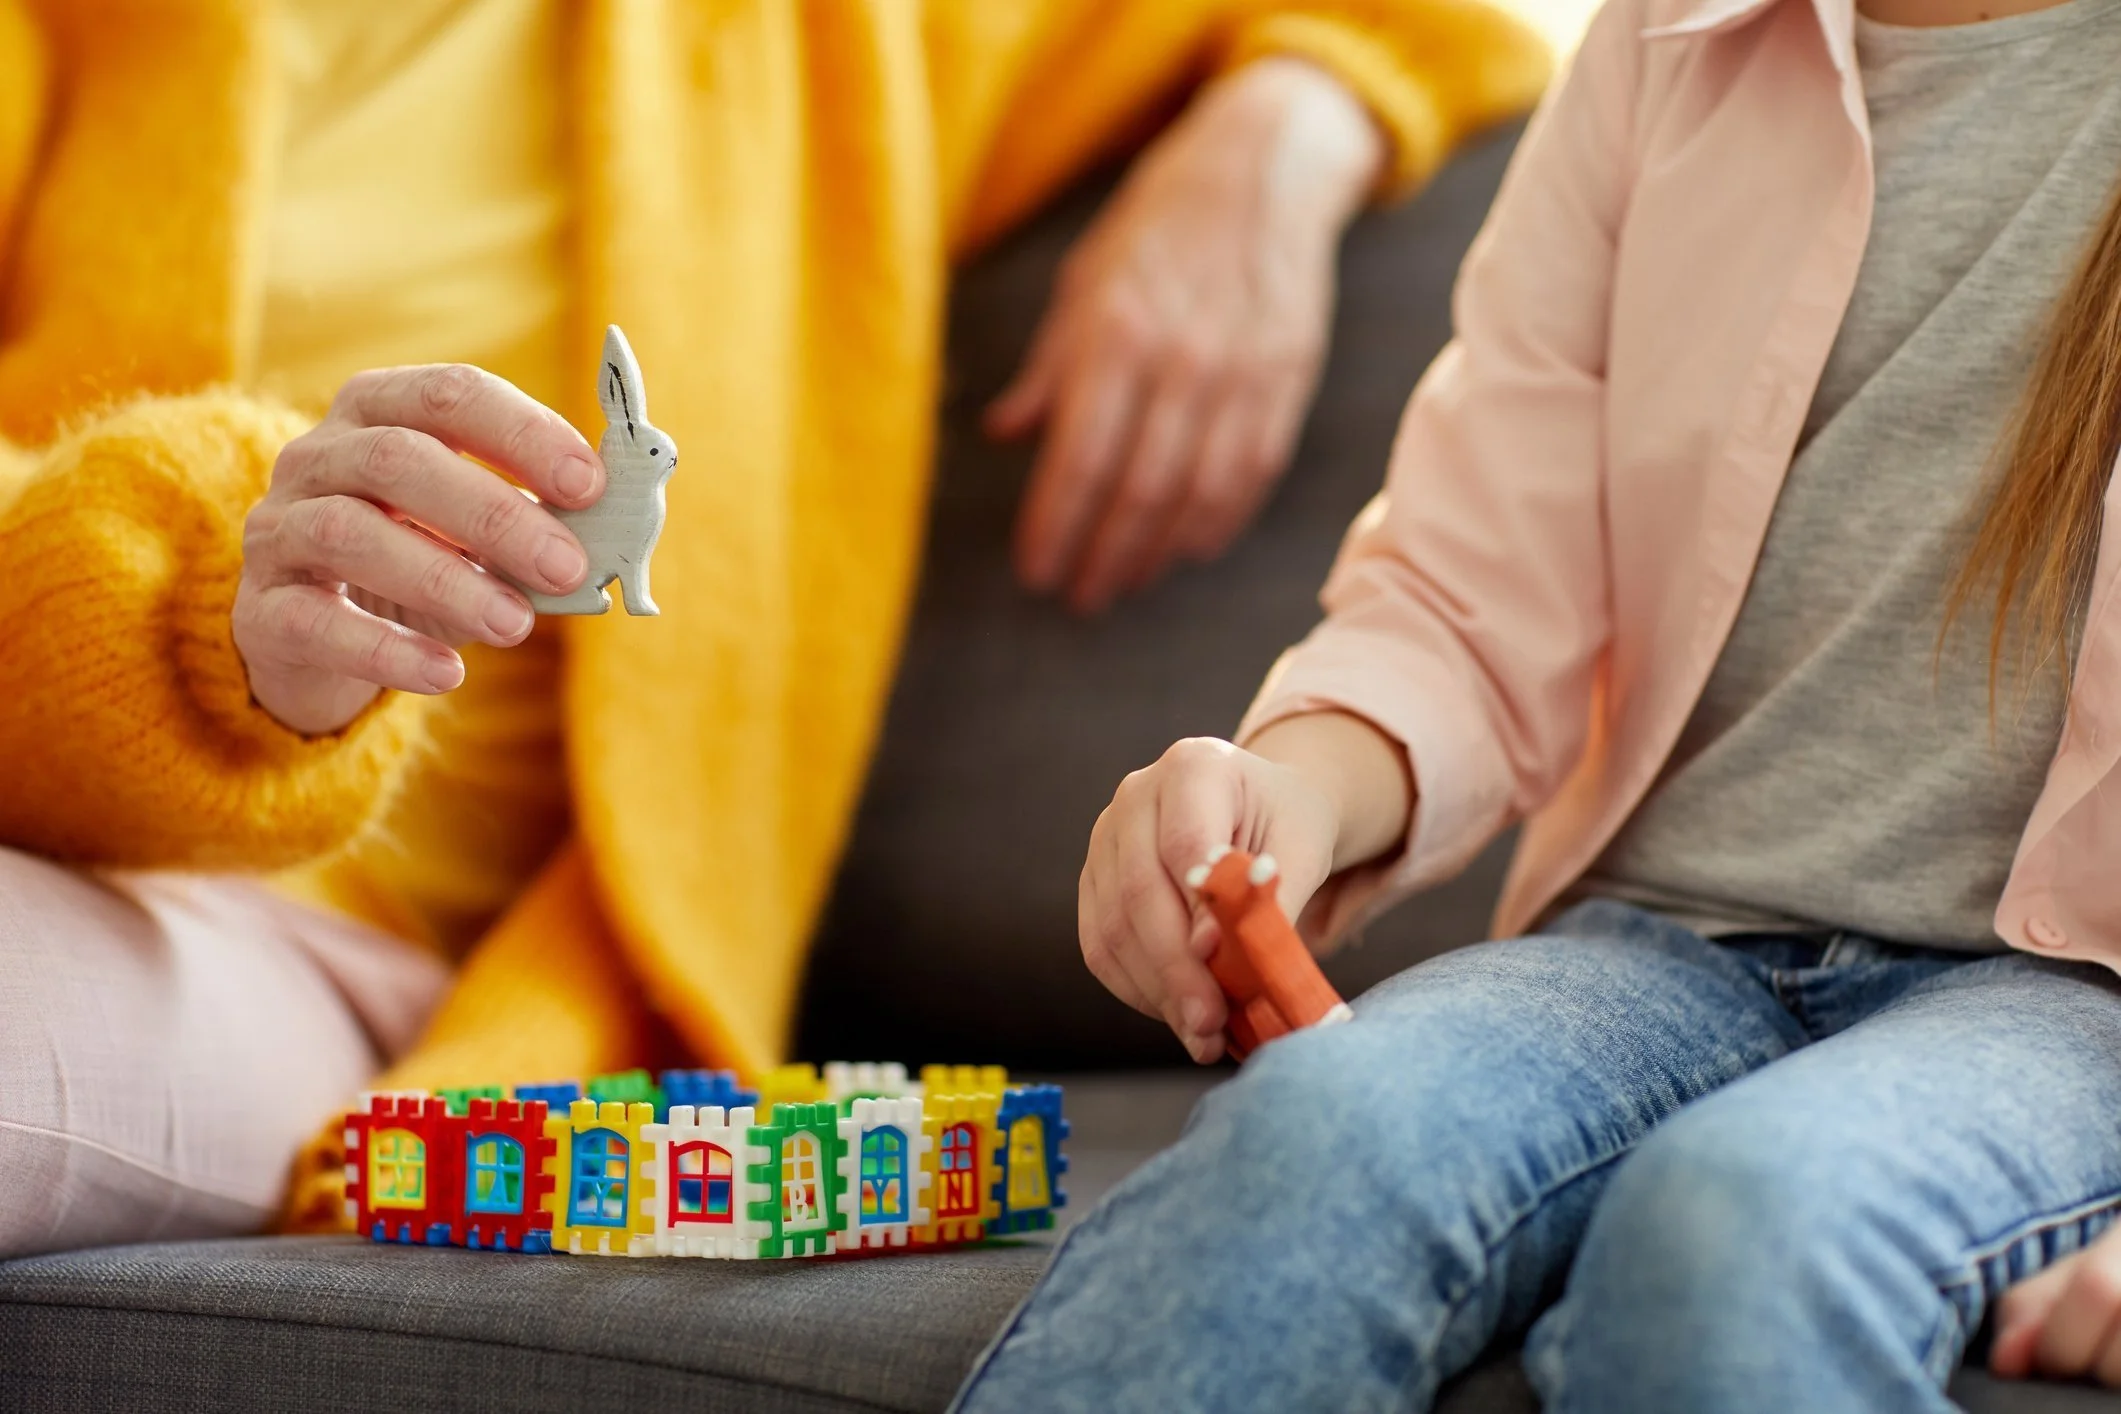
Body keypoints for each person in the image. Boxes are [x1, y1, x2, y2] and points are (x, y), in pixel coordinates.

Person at [0, 2, 1546, 1257]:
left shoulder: (837, 38)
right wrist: (190, 628)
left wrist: (1279, 133)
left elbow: (1448, 32)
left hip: (372, 960)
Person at [954, 0, 2121, 1405]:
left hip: (2069, 1008)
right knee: (1318, 1132)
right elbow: (1469, 589)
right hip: (1666, 945)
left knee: (1746, 1218)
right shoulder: (1665, 42)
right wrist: (1298, 789)